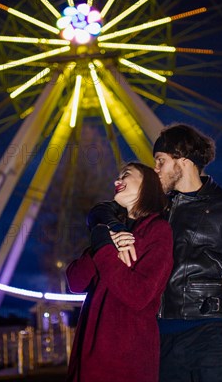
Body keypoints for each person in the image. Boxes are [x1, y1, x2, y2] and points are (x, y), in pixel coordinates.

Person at [88, 123, 222, 382]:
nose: (155, 169)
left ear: (182, 161)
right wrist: (115, 227)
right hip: (157, 338)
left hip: (210, 335)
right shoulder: (155, 209)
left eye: (160, 161)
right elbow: (101, 210)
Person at [65, 162, 174, 382]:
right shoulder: (109, 232)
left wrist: (104, 247)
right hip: (89, 356)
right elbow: (75, 282)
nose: (116, 181)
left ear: (147, 185)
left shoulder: (158, 231)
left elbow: (138, 295)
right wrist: (100, 238)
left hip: (126, 361)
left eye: (125, 175)